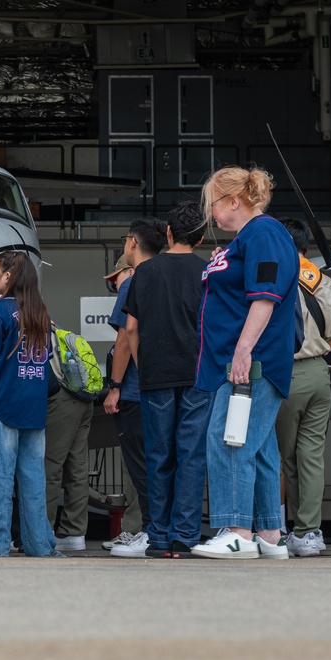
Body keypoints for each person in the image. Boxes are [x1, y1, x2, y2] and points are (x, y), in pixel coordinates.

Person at [191, 166, 298, 560]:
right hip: (244, 360)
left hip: (251, 362)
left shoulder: (264, 234)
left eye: (214, 205)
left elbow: (265, 296)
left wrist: (243, 350)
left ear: (234, 201)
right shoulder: (250, 238)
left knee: (228, 438)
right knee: (260, 446)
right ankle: (269, 534)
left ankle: (237, 530)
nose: (212, 215)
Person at [123, 201, 211, 559]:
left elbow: (131, 327)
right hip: (197, 374)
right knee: (192, 454)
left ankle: (158, 535)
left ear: (169, 233)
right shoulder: (208, 272)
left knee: (159, 454)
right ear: (202, 237)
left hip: (155, 374)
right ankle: (186, 535)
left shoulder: (144, 272)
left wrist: (144, 365)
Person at [0, 251, 62, 558]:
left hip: (2, 404)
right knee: (33, 481)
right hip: (34, 407)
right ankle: (40, 545)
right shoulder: (40, 312)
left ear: (8, 277)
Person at [276, 219, 331, 557]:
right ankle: (310, 533)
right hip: (322, 376)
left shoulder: (276, 277)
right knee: (312, 458)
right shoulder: (329, 285)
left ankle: (287, 529)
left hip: (285, 375)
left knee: (284, 457)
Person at [102, 218, 167, 558]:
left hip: (134, 391)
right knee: (165, 462)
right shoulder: (170, 277)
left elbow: (126, 337)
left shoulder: (133, 282)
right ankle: (164, 529)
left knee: (141, 467)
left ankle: (150, 531)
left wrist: (114, 386)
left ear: (132, 243)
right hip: (168, 387)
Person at [44, 324, 94, 552]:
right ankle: (74, 533)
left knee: (50, 467)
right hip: (83, 398)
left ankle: (42, 530)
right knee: (77, 467)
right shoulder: (58, 332)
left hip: (64, 400)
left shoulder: (37, 331)